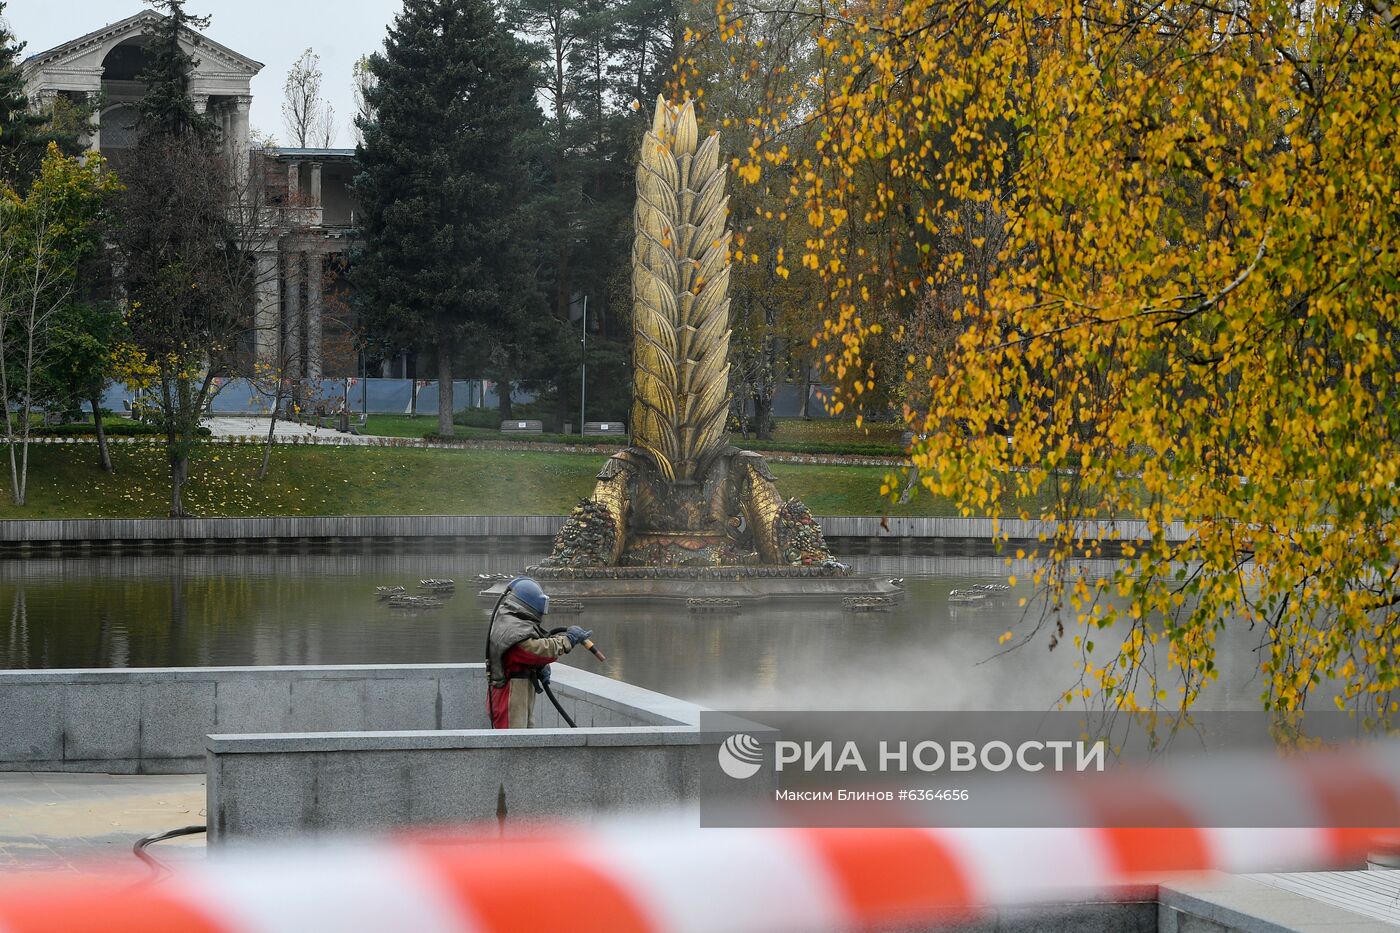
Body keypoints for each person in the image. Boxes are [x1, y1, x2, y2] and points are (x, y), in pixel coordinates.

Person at [484, 578, 592, 729]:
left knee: (525, 740)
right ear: (530, 605)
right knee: (513, 744)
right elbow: (537, 650)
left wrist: (538, 667)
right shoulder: (513, 631)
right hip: (509, 697)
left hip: (517, 693)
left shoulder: (511, 622)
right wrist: (567, 641)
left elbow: (529, 656)